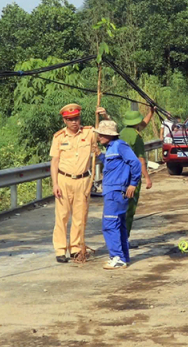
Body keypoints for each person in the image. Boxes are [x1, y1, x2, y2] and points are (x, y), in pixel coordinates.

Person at [96, 106, 154, 248]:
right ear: (137, 123)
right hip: (129, 179)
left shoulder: (122, 133)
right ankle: (123, 241)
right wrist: (146, 178)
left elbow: (143, 124)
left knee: (118, 212)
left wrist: (151, 112)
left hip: (117, 180)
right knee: (128, 211)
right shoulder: (136, 137)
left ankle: (120, 243)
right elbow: (139, 161)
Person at [50, 103, 97, 263]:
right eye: (70, 119)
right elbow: (54, 162)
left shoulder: (89, 132)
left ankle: (76, 248)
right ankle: (60, 250)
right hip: (64, 180)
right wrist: (55, 184)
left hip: (83, 180)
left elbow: (107, 134)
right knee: (62, 216)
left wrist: (104, 116)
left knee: (80, 216)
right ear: (65, 121)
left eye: (76, 118)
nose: (74, 122)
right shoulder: (58, 137)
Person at [95, 120, 143, 270]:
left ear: (110, 135)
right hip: (113, 190)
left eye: (102, 134)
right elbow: (113, 165)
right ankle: (123, 257)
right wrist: (99, 155)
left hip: (116, 191)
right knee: (119, 225)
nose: (99, 137)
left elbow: (135, 163)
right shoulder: (110, 148)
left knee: (109, 225)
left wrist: (133, 183)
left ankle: (116, 257)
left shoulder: (119, 145)